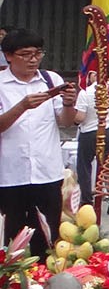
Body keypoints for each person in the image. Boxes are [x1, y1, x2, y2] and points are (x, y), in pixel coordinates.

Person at [0, 30, 80, 259]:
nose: (33, 59)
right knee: (11, 240)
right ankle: (13, 286)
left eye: (37, 53)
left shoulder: (50, 80)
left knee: (49, 237)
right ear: (8, 56)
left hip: (47, 172)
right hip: (10, 175)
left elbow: (65, 122)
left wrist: (68, 104)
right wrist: (22, 107)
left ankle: (47, 283)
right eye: (25, 54)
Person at [72, 72, 109, 214]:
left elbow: (80, 117)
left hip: (89, 131)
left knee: (84, 166)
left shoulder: (86, 92)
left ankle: (86, 200)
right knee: (108, 164)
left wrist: (72, 116)